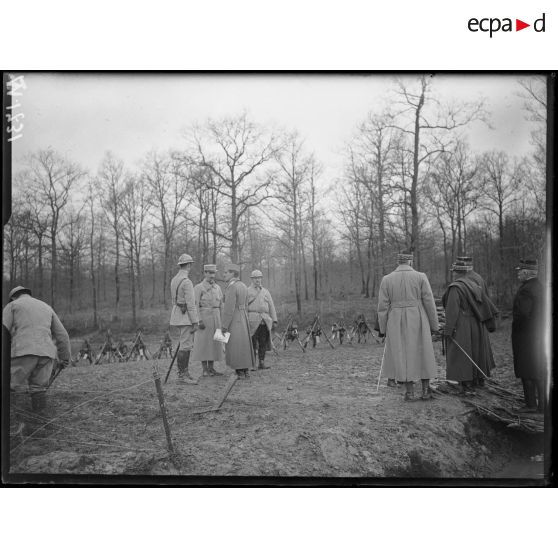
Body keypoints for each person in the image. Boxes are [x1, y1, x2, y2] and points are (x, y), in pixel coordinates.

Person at [377, 253, 439, 401]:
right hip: (418, 317)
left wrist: (383, 329)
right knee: (422, 351)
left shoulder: (386, 279)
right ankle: (425, 391)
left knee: (402, 354)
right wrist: (434, 325)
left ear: (398, 262)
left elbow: (382, 307)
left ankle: (409, 392)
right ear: (410, 261)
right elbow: (429, 302)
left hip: (395, 320)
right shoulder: (421, 276)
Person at [2, 286, 71, 418]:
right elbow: (63, 335)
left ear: (13, 297)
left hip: (22, 351)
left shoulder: (12, 305)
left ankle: (10, 421)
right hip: (46, 354)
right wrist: (65, 358)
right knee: (38, 389)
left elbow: (4, 331)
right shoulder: (46, 307)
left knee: (8, 384)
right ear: (28, 294)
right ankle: (38, 421)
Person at [442, 259, 498, 395]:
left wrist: (448, 330)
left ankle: (466, 383)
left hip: (462, 324)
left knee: (462, 353)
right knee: (478, 351)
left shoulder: (455, 288)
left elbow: (452, 311)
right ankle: (479, 380)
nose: (453, 275)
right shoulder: (477, 281)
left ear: (457, 272)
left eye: (454, 272)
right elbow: (485, 302)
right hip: (478, 322)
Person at [512, 259, 546, 413]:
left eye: (520, 271)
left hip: (526, 336)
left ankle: (531, 404)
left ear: (526, 272)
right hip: (539, 334)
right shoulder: (540, 286)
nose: (518, 273)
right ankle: (543, 406)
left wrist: (517, 328)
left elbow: (523, 314)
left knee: (526, 369)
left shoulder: (526, 290)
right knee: (538, 368)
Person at [169, 253, 200, 384]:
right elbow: (191, 305)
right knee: (186, 346)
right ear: (188, 265)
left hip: (177, 314)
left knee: (183, 344)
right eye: (190, 264)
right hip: (186, 317)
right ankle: (183, 376)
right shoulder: (187, 282)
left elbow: (173, 301)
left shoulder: (174, 279)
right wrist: (195, 321)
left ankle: (184, 373)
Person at [221, 263, 255, 379]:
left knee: (235, 344)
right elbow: (245, 305)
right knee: (243, 344)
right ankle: (245, 370)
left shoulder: (232, 287)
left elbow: (228, 309)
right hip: (243, 316)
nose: (223, 274)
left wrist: (224, 325)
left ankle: (239, 371)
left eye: (226, 272)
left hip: (234, 317)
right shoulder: (243, 285)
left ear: (232, 274)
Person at [192, 264, 224, 377]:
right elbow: (195, 305)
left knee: (215, 343)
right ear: (205, 273)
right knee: (203, 344)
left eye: (213, 273)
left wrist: (223, 320)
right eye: (209, 273)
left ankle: (211, 368)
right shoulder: (198, 287)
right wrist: (198, 320)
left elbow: (221, 304)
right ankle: (205, 369)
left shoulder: (218, 288)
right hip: (204, 318)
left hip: (216, 317)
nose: (211, 275)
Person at [247, 269, 278, 370]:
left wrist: (274, 319)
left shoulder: (265, 291)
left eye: (259, 277)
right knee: (252, 343)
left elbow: (271, 306)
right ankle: (252, 364)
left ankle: (261, 362)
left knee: (263, 342)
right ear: (252, 279)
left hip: (264, 320)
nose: (257, 280)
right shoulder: (247, 291)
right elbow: (244, 307)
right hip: (252, 320)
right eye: (255, 278)